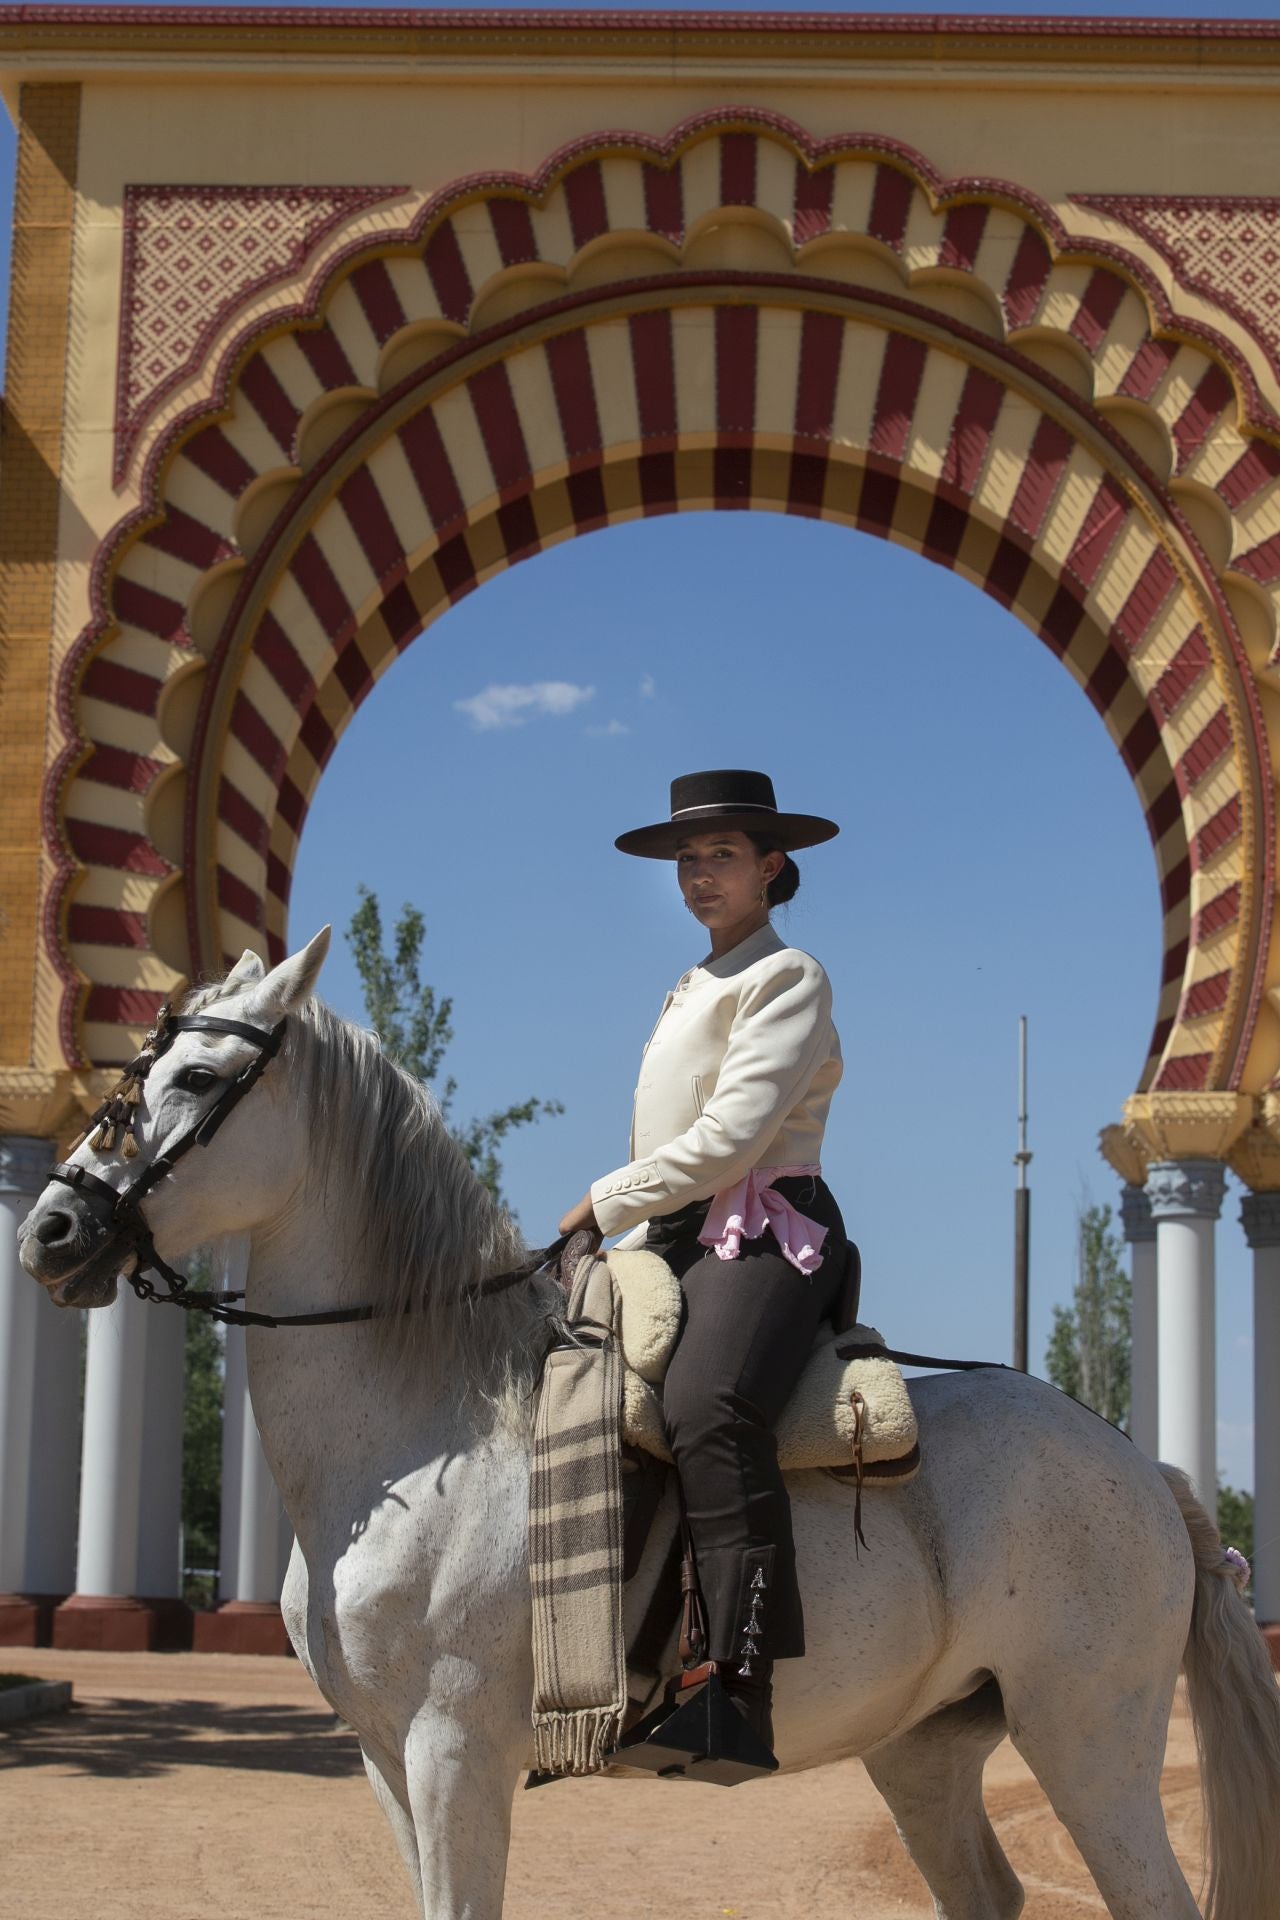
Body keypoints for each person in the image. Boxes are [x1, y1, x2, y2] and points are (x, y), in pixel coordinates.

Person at [558, 768, 847, 1758]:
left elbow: (729, 1141)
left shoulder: (787, 975)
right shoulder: (690, 983)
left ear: (771, 867)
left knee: (706, 1404)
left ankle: (735, 1684)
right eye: (686, 858)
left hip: (767, 1231)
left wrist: (604, 1201)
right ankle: (599, 1657)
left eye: (720, 855)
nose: (696, 874)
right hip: (672, 1237)